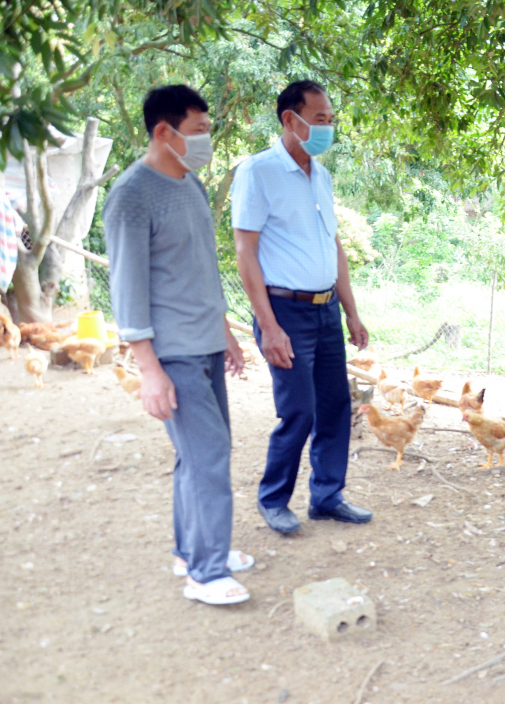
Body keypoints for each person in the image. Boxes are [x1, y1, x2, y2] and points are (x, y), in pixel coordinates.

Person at [104, 85, 251, 605]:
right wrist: (148, 369)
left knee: (199, 457)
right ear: (164, 133)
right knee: (208, 457)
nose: (206, 142)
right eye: (199, 131)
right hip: (172, 354)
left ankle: (193, 550)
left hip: (206, 344)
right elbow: (127, 288)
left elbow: (200, 270)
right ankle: (206, 575)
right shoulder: (131, 195)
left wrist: (226, 333)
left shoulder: (187, 184)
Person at [231, 80, 372, 534]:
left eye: (331, 119)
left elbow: (334, 247)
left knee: (334, 408)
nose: (327, 127)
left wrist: (351, 311)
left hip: (326, 309)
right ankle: (274, 500)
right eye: (319, 119)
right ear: (290, 119)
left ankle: (327, 497)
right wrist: (268, 326)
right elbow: (245, 252)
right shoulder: (258, 172)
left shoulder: (321, 176)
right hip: (284, 311)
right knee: (300, 411)